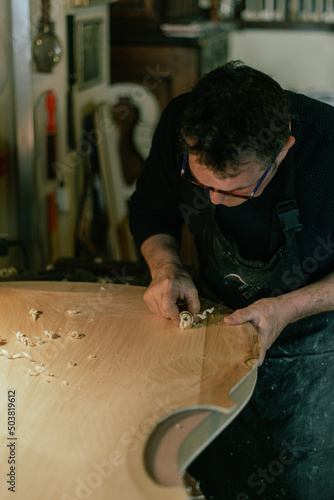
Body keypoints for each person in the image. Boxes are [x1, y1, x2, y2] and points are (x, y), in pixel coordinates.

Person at [129, 61, 334, 499]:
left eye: (238, 192)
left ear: (283, 150)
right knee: (214, 474)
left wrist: (289, 307)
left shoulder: (330, 146)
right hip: (216, 326)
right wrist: (168, 268)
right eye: (202, 186)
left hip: (316, 344)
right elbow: (150, 212)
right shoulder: (180, 124)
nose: (216, 203)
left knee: (303, 480)